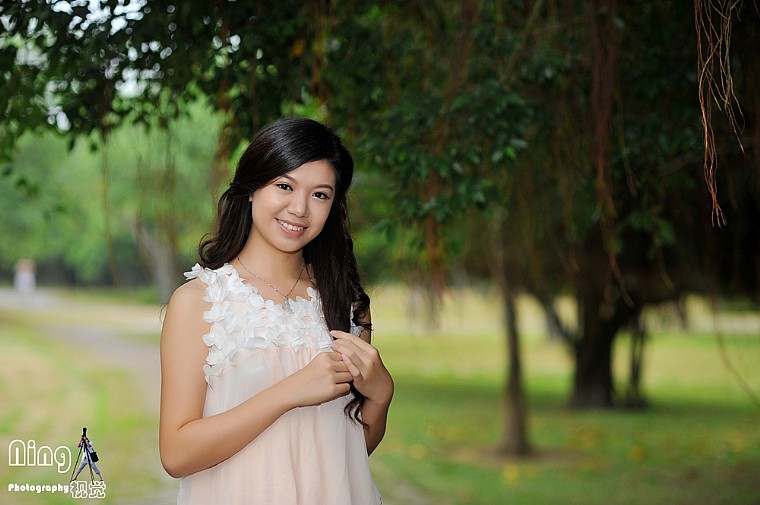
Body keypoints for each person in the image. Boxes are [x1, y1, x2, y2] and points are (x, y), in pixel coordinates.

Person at [159, 118, 394, 505]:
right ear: (252, 189)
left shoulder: (347, 305)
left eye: (320, 195)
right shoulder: (200, 301)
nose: (299, 209)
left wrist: (381, 396)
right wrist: (290, 392)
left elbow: (345, 452)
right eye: (284, 186)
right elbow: (176, 454)